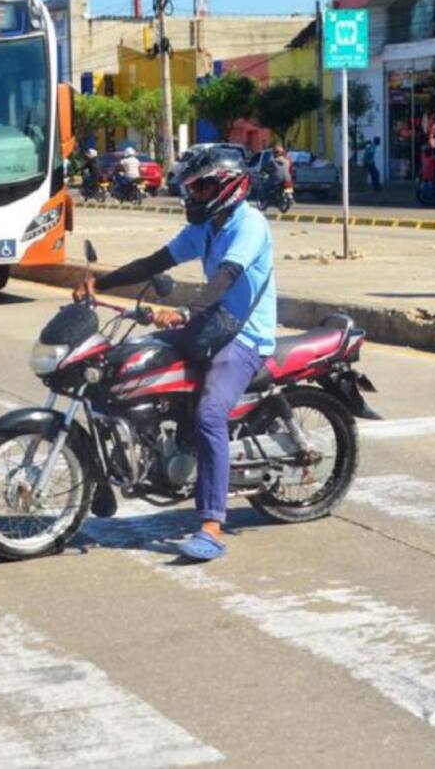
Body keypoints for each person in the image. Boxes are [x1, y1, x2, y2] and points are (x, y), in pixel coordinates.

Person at [73, 150, 276, 562]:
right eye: (191, 187)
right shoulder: (205, 228)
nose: (193, 195)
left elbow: (225, 279)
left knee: (210, 414)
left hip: (244, 337)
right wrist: (100, 283)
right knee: (124, 367)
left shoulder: (249, 224)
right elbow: (155, 262)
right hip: (210, 327)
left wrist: (186, 312)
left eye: (201, 187)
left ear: (226, 187)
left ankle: (212, 525)